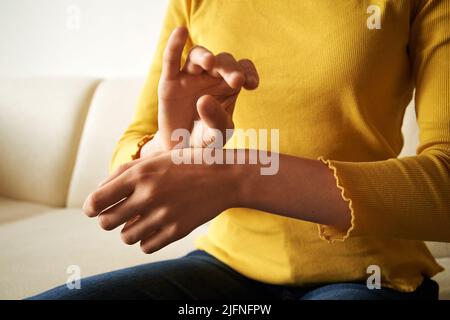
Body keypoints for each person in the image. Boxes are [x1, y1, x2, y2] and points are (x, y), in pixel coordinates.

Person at [30, 0, 449, 300]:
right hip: (222, 265)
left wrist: (237, 176)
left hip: (371, 275)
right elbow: (131, 145)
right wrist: (171, 144)